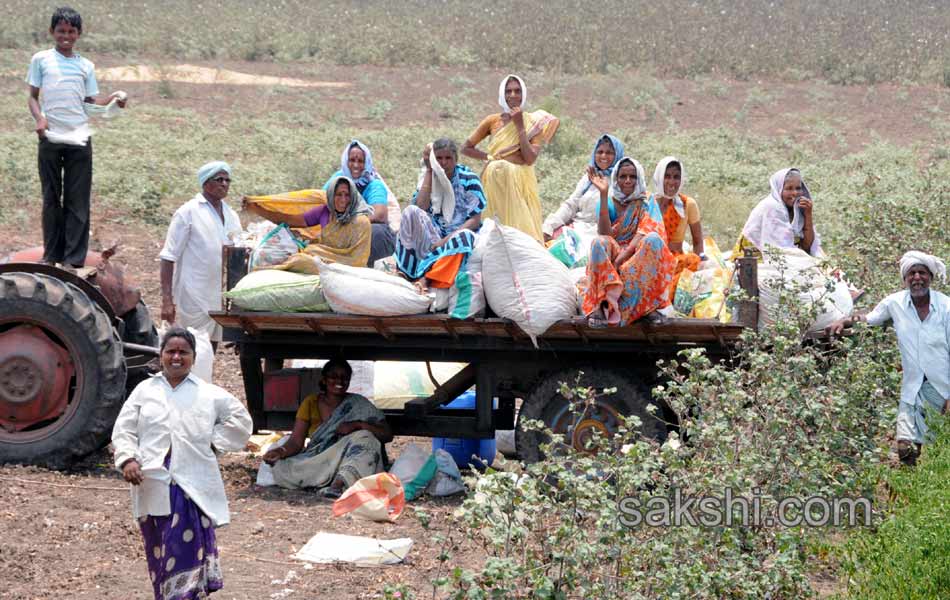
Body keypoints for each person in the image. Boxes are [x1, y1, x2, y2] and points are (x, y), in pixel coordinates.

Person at [112, 327, 252, 600]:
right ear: (161, 355)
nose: (176, 357)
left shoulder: (208, 394)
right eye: (170, 351)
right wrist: (127, 458)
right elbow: (124, 429)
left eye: (183, 352)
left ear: (193, 356)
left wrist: (214, 442)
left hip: (192, 486)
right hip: (151, 481)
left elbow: (242, 422)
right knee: (159, 551)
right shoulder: (145, 390)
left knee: (184, 549)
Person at [27, 6, 128, 269]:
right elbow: (32, 96)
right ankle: (51, 256)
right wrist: (39, 118)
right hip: (50, 136)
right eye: (61, 31)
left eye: (71, 31)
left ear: (78, 34)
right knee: (51, 197)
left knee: (78, 199)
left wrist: (114, 100)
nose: (66, 36)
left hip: (79, 139)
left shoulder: (85, 65)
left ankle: (73, 259)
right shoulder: (41, 60)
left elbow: (91, 102)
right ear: (52, 32)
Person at [828, 252, 949, 466]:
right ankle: (910, 484)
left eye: (922, 273)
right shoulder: (895, 303)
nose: (917, 278)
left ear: (931, 277)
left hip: (941, 386)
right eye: (912, 273)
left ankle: (923, 488)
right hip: (912, 386)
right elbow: (870, 319)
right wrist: (846, 320)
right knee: (905, 446)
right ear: (905, 278)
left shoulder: (946, 307)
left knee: (938, 445)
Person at [263, 358, 393, 498]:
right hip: (319, 459)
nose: (339, 381)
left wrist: (358, 425)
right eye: (334, 376)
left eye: (344, 378)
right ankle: (327, 481)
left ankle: (338, 485)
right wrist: (280, 451)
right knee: (281, 467)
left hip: (348, 460)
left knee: (366, 438)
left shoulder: (359, 404)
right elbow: (296, 441)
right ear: (324, 380)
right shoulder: (311, 403)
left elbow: (387, 434)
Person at [461, 74, 559, 243]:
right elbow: (466, 148)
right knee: (496, 228)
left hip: (520, 182)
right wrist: (490, 157)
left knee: (522, 232)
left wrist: (520, 125)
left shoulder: (532, 122)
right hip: (495, 182)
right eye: (509, 91)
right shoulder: (492, 121)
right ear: (502, 95)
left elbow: (530, 159)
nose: (513, 95)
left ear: (524, 94)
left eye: (517, 91)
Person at [579, 157, 674, 326]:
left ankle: (647, 307)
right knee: (598, 242)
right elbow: (605, 233)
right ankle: (600, 305)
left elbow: (646, 231)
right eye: (623, 176)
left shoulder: (646, 201)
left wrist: (622, 258)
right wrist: (603, 194)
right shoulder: (609, 200)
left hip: (637, 254)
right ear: (616, 178)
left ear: (639, 179)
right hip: (614, 255)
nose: (628, 181)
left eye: (632, 177)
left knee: (653, 239)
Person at [160, 161, 242, 346]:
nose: (224, 184)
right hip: (193, 295)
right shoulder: (188, 212)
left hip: (220, 296)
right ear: (206, 182)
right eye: (219, 179)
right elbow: (168, 256)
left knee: (210, 346)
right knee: (191, 345)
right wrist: (167, 300)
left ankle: (204, 376)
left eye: (228, 180)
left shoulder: (231, 215)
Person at [393, 139, 486, 286]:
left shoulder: (469, 179)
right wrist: (430, 170)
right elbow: (421, 207)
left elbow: (474, 220)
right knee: (410, 212)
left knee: (463, 237)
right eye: (439, 158)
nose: (443, 163)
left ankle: (427, 278)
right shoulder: (429, 176)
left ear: (456, 159)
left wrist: (446, 240)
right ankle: (405, 273)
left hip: (457, 234)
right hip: (434, 234)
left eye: (448, 158)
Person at [242, 175, 373, 267]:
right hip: (323, 259)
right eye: (338, 194)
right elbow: (289, 220)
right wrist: (257, 209)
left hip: (347, 265)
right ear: (331, 195)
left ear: (353, 197)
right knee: (302, 256)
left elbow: (358, 259)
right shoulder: (326, 211)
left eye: (347, 195)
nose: (343, 199)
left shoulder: (361, 222)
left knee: (303, 258)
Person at [542, 134, 625, 252]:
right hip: (578, 228)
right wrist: (549, 226)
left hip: (601, 234)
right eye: (600, 151)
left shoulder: (622, 180)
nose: (603, 156)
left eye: (609, 153)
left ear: (617, 155)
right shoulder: (589, 178)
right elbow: (571, 205)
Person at [323, 140, 397, 266]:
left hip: (366, 233)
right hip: (340, 229)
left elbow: (379, 215)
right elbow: (321, 201)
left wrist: (348, 222)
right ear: (346, 161)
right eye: (352, 160)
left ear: (366, 162)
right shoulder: (337, 179)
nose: (356, 165)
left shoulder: (373, 184)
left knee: (376, 232)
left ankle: (368, 270)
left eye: (360, 161)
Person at [735, 167, 820, 258]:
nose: (795, 193)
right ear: (779, 189)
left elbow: (807, 246)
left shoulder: (797, 208)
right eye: (789, 188)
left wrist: (808, 215)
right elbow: (778, 251)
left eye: (798, 188)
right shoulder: (772, 207)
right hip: (754, 257)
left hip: (785, 254)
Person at [652, 157, 705, 295]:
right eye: (667, 176)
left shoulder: (688, 204)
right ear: (659, 177)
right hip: (651, 259)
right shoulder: (648, 202)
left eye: (676, 177)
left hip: (676, 261)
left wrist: (699, 264)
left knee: (692, 260)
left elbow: (698, 241)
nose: (672, 182)